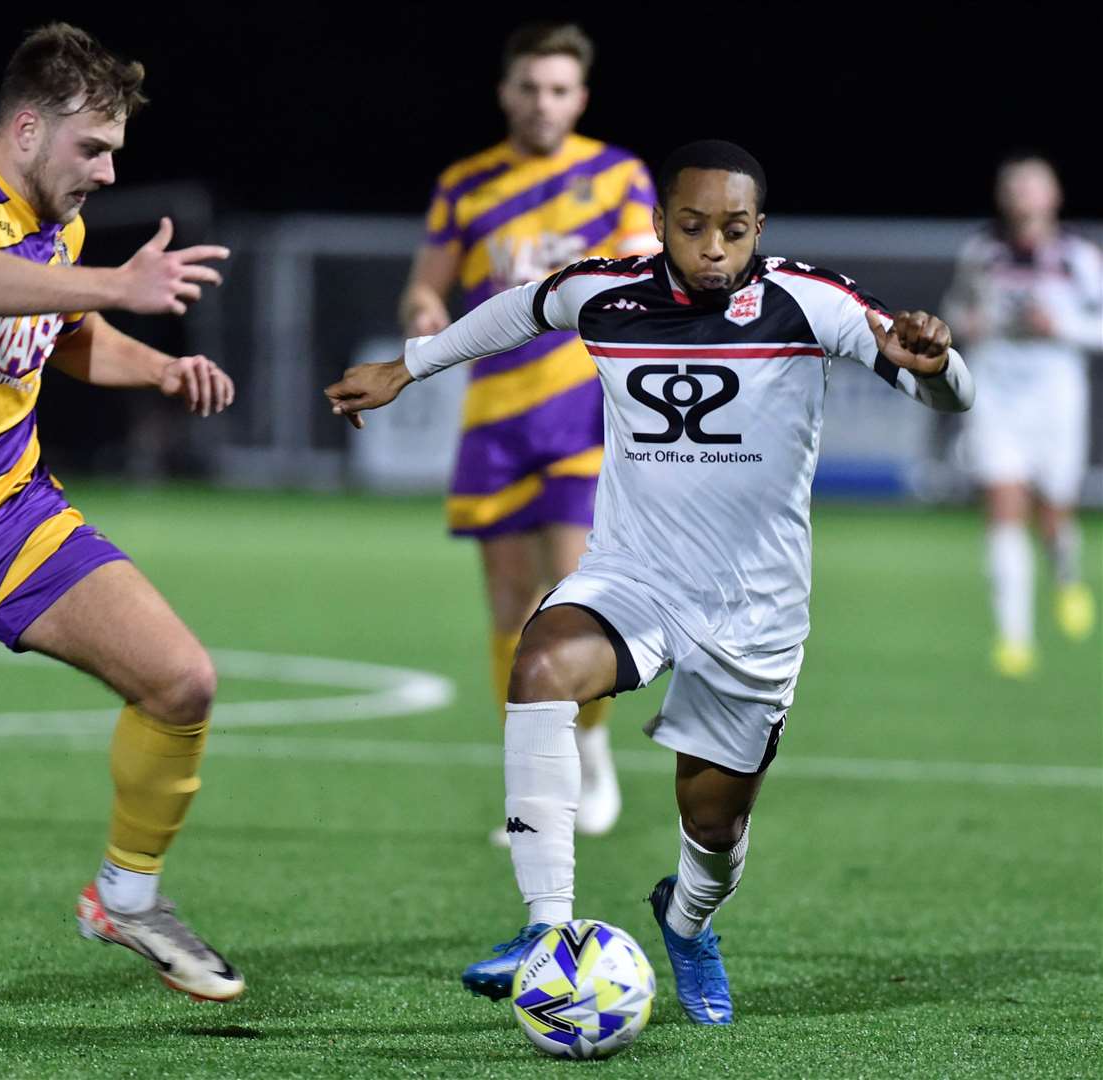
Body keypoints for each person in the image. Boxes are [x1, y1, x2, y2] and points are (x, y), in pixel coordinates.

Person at [326, 139, 974, 1024]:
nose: (714, 247)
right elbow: (521, 307)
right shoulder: (609, 290)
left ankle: (688, 918)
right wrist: (410, 366)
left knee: (713, 827)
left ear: (760, 231)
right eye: (693, 226)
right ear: (660, 222)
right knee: (542, 666)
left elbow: (942, 394)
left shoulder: (810, 303)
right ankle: (546, 932)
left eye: (734, 231)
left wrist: (941, 367)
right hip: (634, 575)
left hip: (754, 611)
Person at [0, 23, 243, 1001]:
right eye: (91, 148)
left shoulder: (62, 230)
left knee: (181, 681)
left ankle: (127, 898)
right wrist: (123, 285)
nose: (103, 169)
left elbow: (66, 336)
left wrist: (161, 366)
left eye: (114, 154)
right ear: (24, 126)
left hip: (9, 519)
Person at [398, 23, 659, 842]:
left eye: (558, 89)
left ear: (578, 98)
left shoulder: (616, 177)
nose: (542, 103)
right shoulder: (467, 185)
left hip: (581, 413)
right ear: (505, 92)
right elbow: (424, 288)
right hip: (495, 424)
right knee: (509, 608)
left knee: (574, 597)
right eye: (529, 87)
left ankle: (592, 750)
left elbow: (649, 279)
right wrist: (424, 314)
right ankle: (532, 788)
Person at [943, 155, 1102, 678]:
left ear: (1053, 196)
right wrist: (968, 323)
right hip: (996, 397)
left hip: (1056, 400)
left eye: (1034, 186)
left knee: (1054, 512)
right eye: (1014, 187)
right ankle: (1014, 639)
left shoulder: (1077, 256)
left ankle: (1066, 576)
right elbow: (955, 310)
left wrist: (1058, 325)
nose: (1023, 196)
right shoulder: (982, 252)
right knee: (1004, 505)